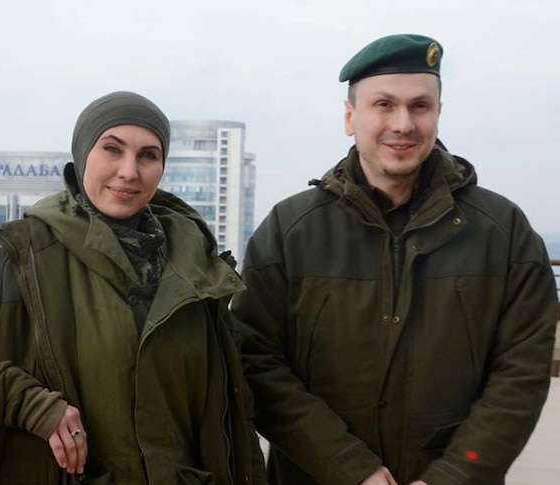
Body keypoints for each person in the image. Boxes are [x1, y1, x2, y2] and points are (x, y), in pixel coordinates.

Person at [0, 91, 267, 484]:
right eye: (112, 149)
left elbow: (234, 418)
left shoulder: (196, 267)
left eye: (147, 155)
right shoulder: (23, 264)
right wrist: (27, 402)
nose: (129, 171)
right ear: (82, 155)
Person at [231, 34, 558, 485]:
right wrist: (350, 468)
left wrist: (456, 474)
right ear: (350, 117)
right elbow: (256, 361)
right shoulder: (290, 230)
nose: (403, 124)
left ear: (438, 114)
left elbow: (521, 374)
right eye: (383, 104)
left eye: (420, 106)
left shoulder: (504, 233)